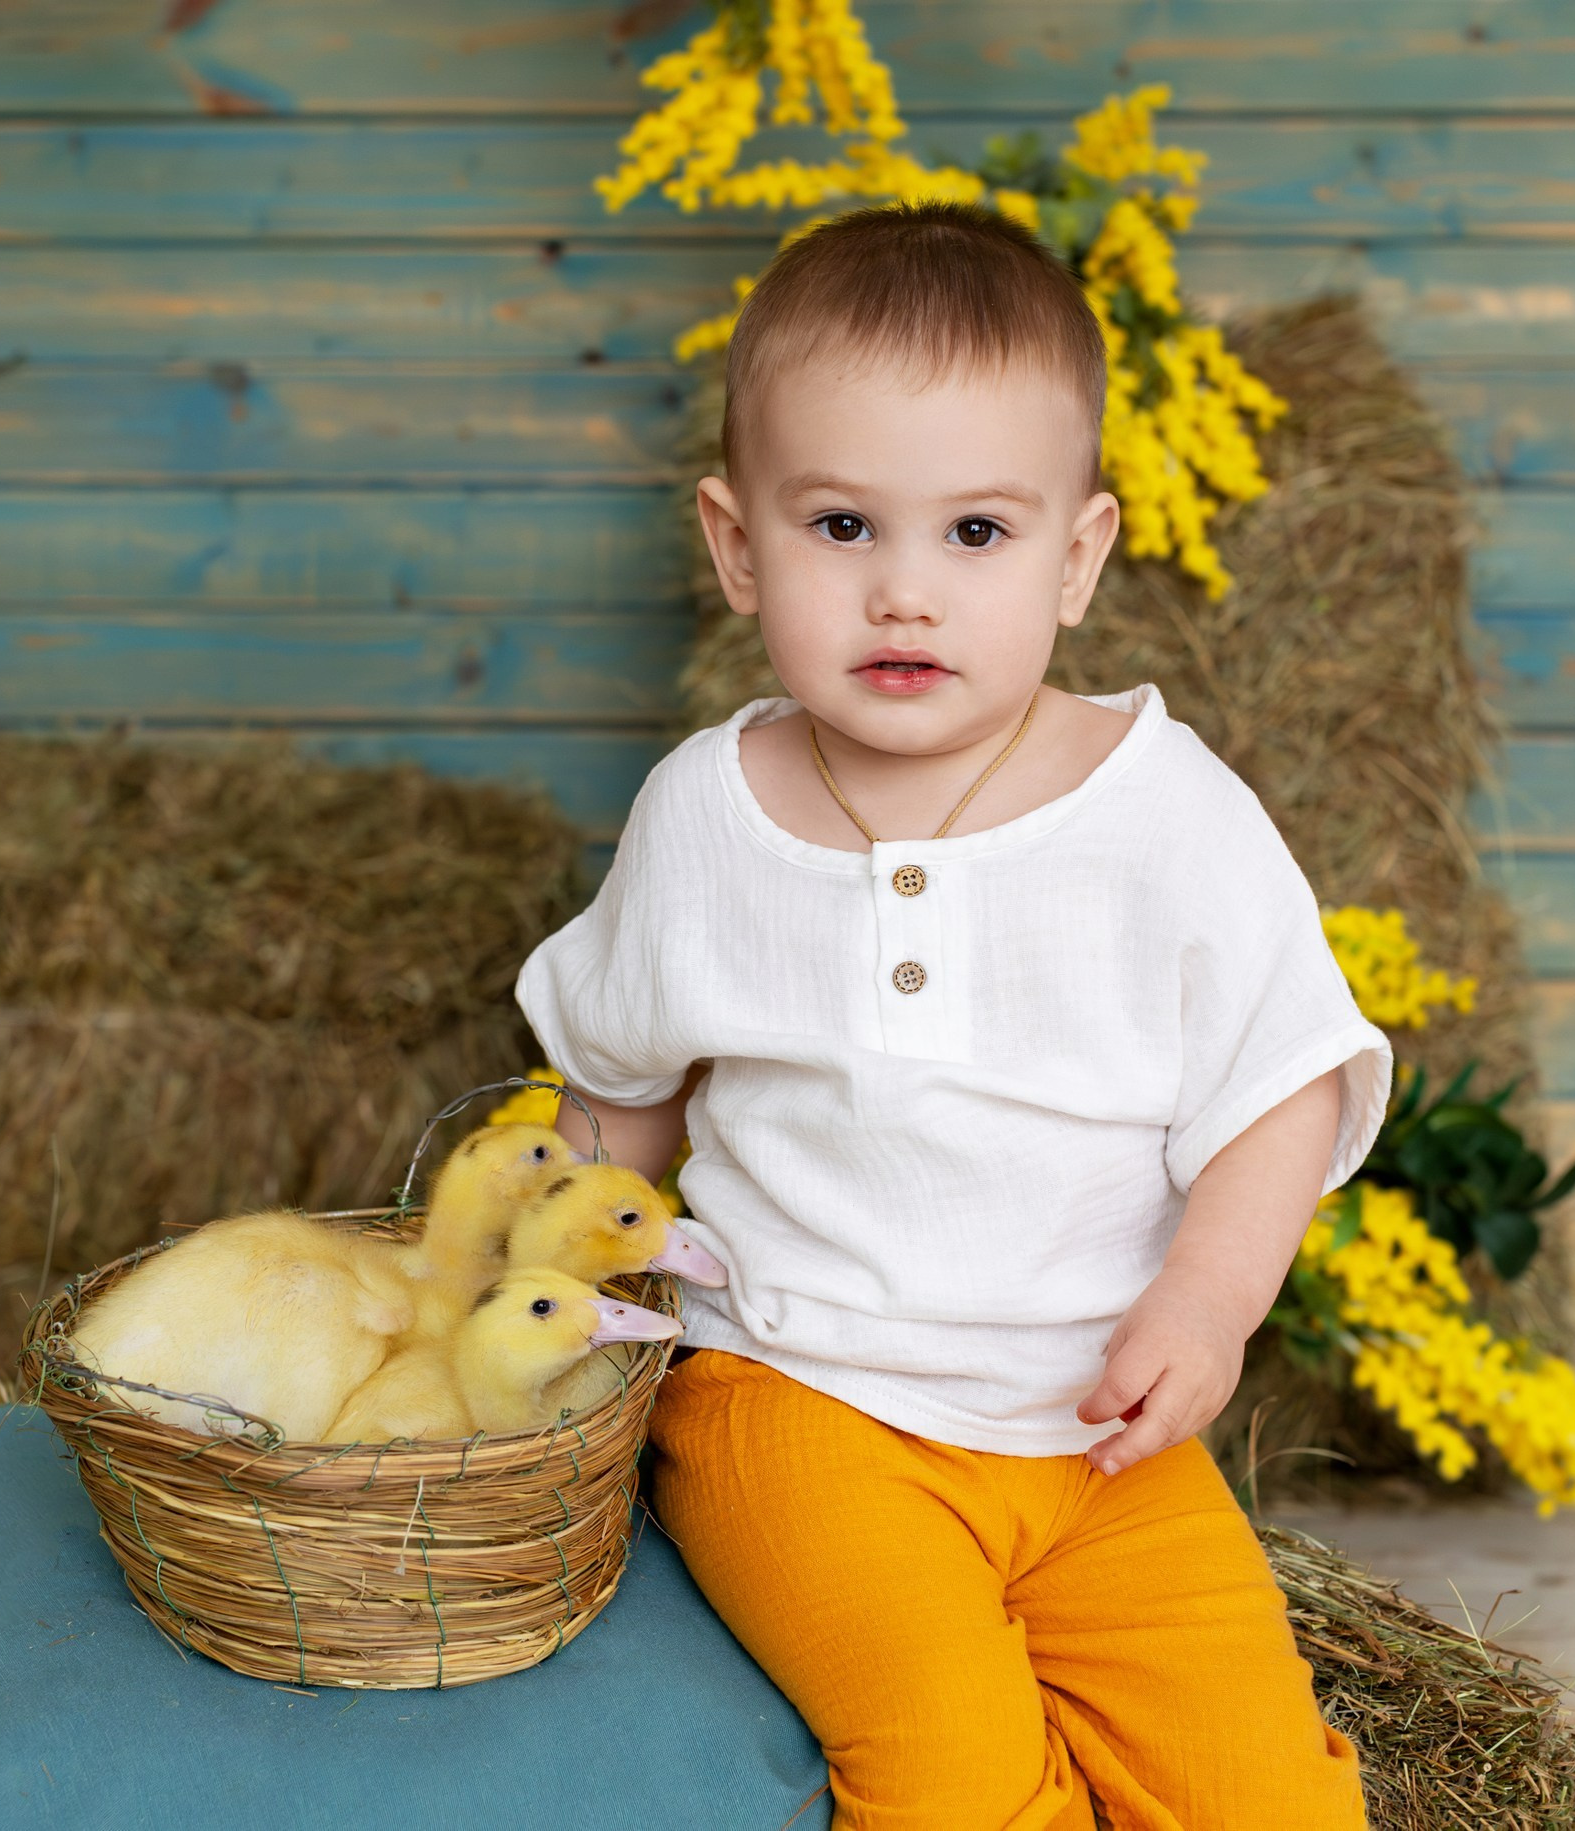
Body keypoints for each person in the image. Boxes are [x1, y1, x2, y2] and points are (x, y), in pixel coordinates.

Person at [517, 202, 1384, 1830]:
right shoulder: (709, 815)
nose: (904, 594)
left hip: (1098, 1442)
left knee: (1263, 1795)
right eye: (842, 527)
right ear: (736, 546)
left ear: (1076, 559)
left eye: (975, 536)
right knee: (949, 1768)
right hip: (801, 1407)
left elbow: (1284, 1084)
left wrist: (1206, 1307)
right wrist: (529, 1292)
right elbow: (617, 1098)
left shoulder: (1164, 810)